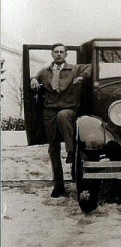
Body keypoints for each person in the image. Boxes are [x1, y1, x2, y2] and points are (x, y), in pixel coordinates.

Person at [30, 43, 91, 198]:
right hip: (49, 111)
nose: (58, 54)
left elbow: (91, 67)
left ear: (66, 54)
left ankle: (71, 153)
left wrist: (81, 78)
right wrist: (34, 79)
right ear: (52, 54)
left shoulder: (75, 69)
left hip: (69, 109)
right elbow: (35, 78)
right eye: (56, 52)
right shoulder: (45, 71)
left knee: (63, 115)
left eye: (61, 52)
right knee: (53, 148)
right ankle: (58, 185)